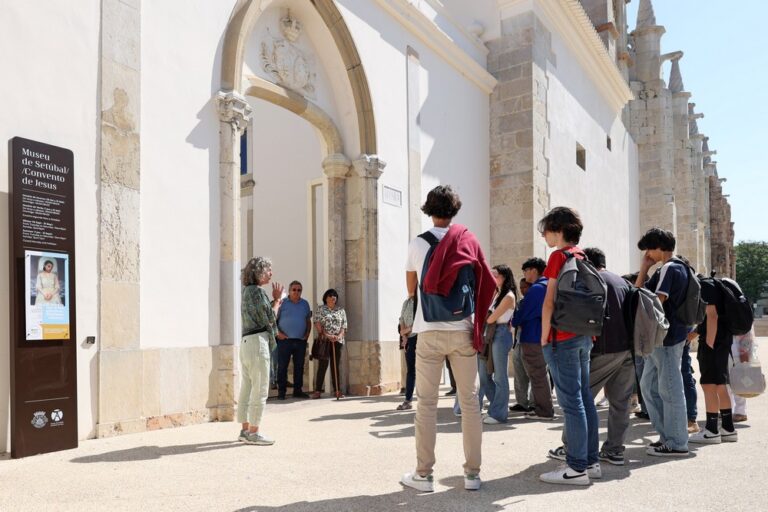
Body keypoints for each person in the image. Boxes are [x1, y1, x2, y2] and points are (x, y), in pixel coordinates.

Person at [401, 185, 495, 493]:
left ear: (429, 210)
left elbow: (411, 289)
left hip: (429, 330)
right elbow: (485, 282)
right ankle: (472, 474)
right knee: (469, 403)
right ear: (455, 211)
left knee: (426, 404)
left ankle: (424, 475)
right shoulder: (468, 240)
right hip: (463, 330)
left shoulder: (418, 243)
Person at [547, 247, 634, 466]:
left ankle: (572, 447)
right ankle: (614, 449)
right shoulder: (623, 282)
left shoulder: (592, 280)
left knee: (579, 398)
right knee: (620, 403)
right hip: (627, 350)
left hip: (603, 350)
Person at [537, 207, 599, 486]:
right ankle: (590, 461)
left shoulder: (558, 256)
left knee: (571, 403)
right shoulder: (582, 255)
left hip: (562, 338)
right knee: (584, 399)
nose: (544, 235)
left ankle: (575, 469)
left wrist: (543, 335)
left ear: (558, 230)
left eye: (546, 230)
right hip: (584, 335)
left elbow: (549, 300)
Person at [635, 228, 690, 457]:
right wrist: (645, 268)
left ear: (658, 246)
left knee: (669, 389)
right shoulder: (675, 268)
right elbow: (637, 292)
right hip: (664, 339)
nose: (648, 253)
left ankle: (677, 442)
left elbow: (656, 302)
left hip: (666, 338)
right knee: (648, 386)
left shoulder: (670, 268)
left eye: (649, 248)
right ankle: (667, 436)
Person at [238, 256, 283, 445]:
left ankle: (245, 430)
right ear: (259, 272)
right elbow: (269, 318)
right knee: (260, 389)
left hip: (246, 341)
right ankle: (254, 433)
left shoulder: (246, 291)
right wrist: (278, 301)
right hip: (258, 342)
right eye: (268, 270)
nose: (271, 273)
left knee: (247, 387)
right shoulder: (257, 292)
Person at [689, 276, 738, 444]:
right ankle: (728, 428)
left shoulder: (705, 286)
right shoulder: (716, 287)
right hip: (723, 341)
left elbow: (712, 316)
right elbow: (708, 320)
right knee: (720, 384)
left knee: (709, 385)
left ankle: (711, 430)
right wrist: (693, 335)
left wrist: (709, 344)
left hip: (714, 343)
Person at [512, 257, 555, 421]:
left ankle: (544, 410)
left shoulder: (537, 289)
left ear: (533, 270)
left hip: (533, 336)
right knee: (541, 374)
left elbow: (522, 314)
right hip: (546, 335)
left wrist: (515, 319)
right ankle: (543, 408)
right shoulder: (550, 285)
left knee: (538, 375)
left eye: (525, 270)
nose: (524, 274)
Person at [478, 265, 517, 424]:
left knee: (500, 376)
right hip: (490, 335)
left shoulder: (509, 296)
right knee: (483, 375)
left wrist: (485, 316)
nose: (492, 277)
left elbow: (490, 318)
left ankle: (499, 413)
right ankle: (497, 407)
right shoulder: (497, 294)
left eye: (495, 275)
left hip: (500, 334)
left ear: (504, 277)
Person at [275, 280, 312, 400]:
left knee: (299, 367)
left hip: (300, 341)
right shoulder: (282, 303)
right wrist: (278, 333)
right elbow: (274, 320)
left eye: (299, 290)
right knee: (282, 366)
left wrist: (307, 335)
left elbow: (308, 321)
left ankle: (297, 390)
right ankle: (281, 392)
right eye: (294, 289)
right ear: (290, 291)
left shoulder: (305, 304)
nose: (296, 292)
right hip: (284, 341)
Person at [312, 289, 347, 399]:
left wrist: (338, 336)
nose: (333, 297)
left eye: (335, 296)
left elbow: (344, 326)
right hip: (325, 341)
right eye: (331, 295)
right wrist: (328, 335)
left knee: (335, 365)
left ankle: (337, 390)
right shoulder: (321, 309)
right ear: (326, 298)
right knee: (323, 365)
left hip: (337, 341)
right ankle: (317, 390)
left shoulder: (340, 310)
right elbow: (317, 323)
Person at [397, 295, 418, 411]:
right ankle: (408, 400)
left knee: (423, 370)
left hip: (420, 338)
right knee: (411, 371)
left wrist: (406, 330)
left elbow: (419, 324)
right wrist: (404, 336)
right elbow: (401, 320)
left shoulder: (422, 301)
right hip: (408, 339)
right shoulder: (406, 302)